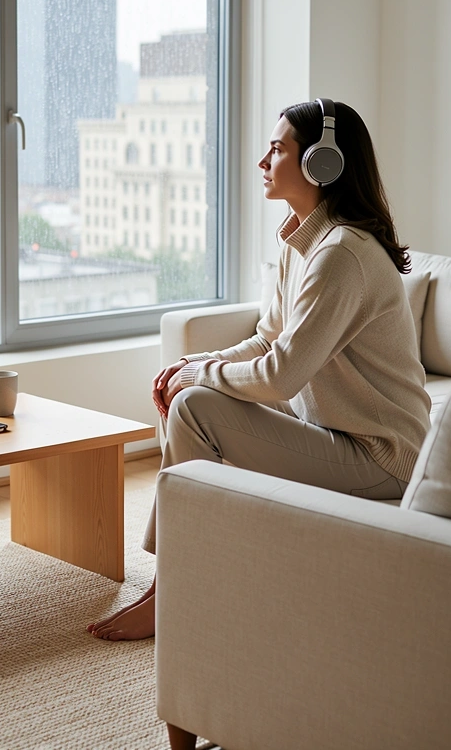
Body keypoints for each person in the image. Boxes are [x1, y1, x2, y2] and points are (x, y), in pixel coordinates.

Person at [87, 99, 431, 664]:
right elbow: (269, 338)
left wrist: (200, 375)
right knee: (191, 395)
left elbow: (281, 373)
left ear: (322, 163)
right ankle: (177, 576)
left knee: (196, 406)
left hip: (381, 456)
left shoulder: (342, 255)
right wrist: (194, 363)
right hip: (332, 434)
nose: (262, 160)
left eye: (278, 149)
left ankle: (170, 586)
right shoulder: (303, 243)